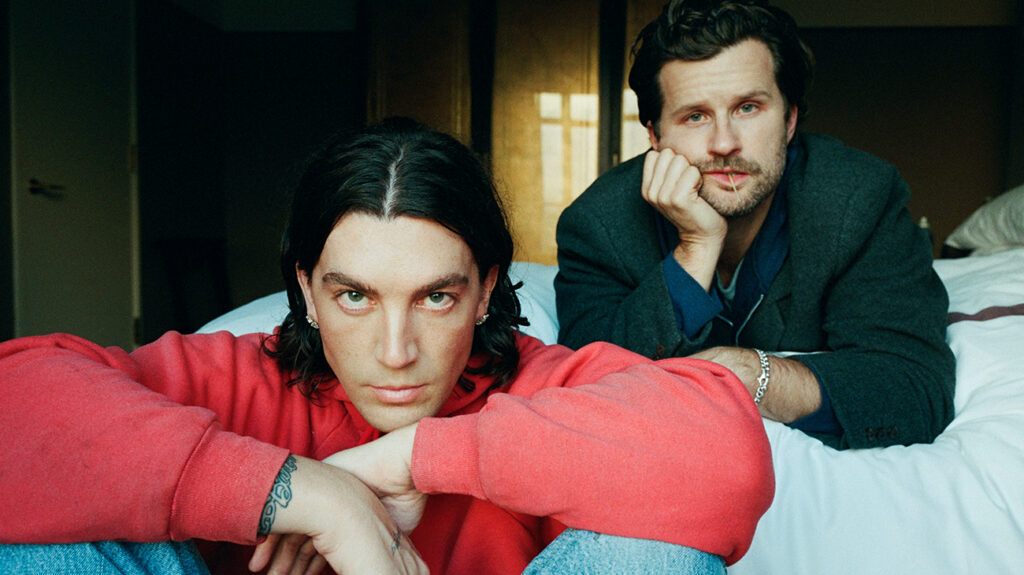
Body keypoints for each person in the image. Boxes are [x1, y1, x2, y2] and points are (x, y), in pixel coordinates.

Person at [0, 118, 773, 574]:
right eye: (355, 296)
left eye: (436, 296)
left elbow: (729, 454)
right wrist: (308, 495)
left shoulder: (545, 388)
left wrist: (407, 460)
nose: (395, 350)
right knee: (42, 533)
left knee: (658, 553)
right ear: (307, 290)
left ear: (484, 290)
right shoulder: (232, 377)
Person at [554, 0, 956, 450]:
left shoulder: (860, 199)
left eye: (747, 108)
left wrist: (751, 376)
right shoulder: (598, 225)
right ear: (655, 135)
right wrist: (696, 245)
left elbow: (914, 387)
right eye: (695, 116)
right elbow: (590, 391)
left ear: (790, 119)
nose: (724, 143)